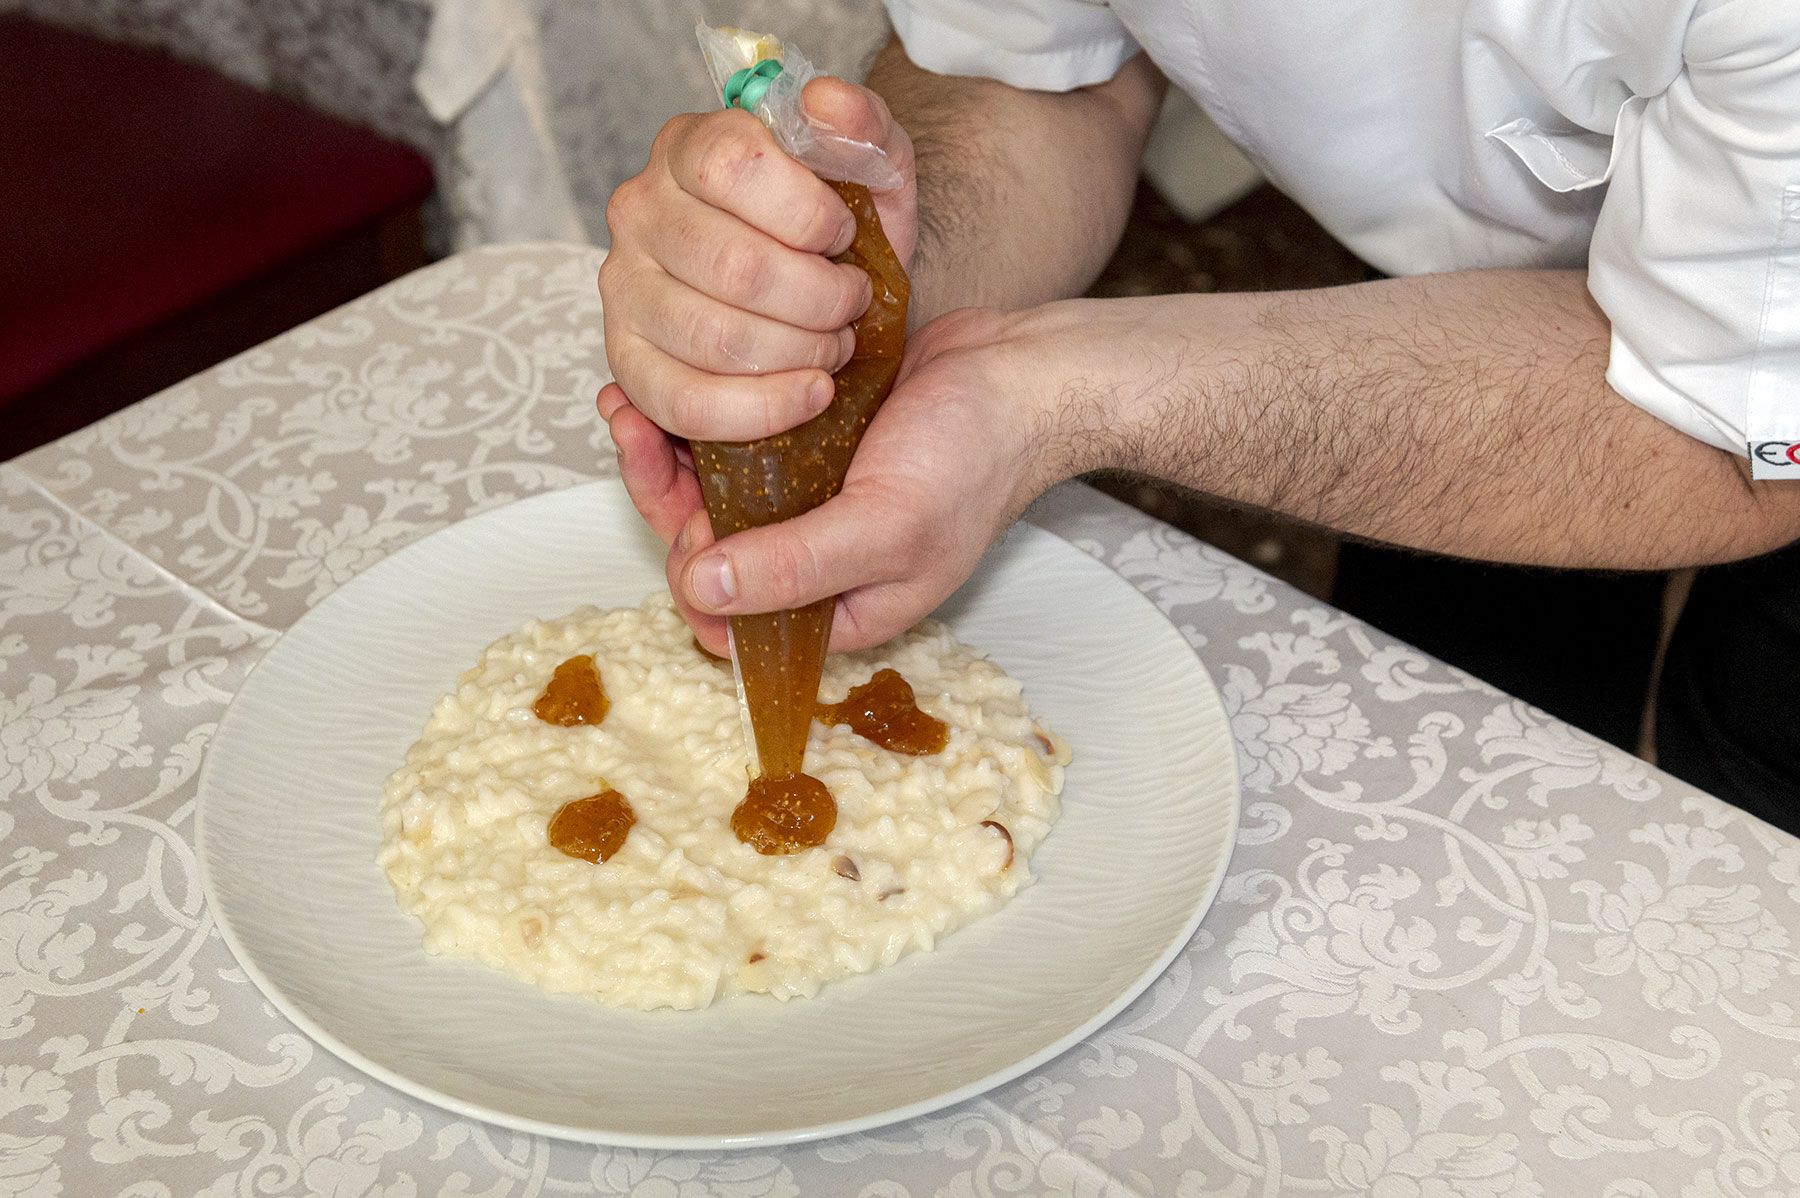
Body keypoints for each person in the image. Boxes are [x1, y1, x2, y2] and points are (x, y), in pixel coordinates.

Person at [597, 1, 1800, 826]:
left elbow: (1721, 438)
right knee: (1450, 765)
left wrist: (1059, 390)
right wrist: (867, 297)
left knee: (1750, 816)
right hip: (1464, 279)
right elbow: (1040, 70)